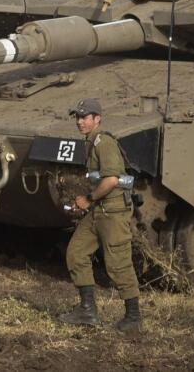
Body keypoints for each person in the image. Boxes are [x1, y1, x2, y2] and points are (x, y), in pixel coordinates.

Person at [58, 98, 141, 333]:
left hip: (113, 212)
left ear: (97, 119)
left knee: (118, 264)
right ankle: (87, 310)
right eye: (78, 117)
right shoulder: (92, 142)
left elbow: (112, 179)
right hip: (98, 210)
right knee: (76, 253)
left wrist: (89, 199)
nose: (80, 121)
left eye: (85, 117)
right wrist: (86, 202)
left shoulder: (104, 143)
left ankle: (133, 317)